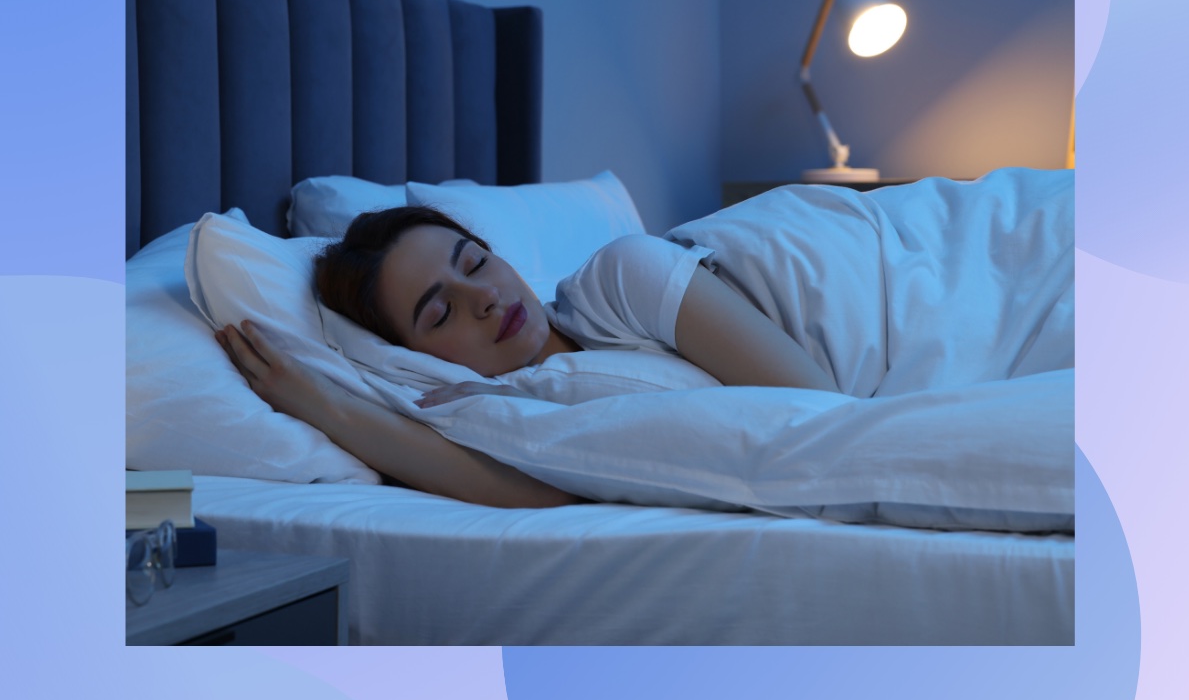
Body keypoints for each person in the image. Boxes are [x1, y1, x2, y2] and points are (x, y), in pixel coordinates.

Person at [217, 206, 838, 509]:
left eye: (476, 262)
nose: (486, 298)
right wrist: (327, 407)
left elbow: (833, 423)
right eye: (442, 313)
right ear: (410, 356)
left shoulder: (626, 275)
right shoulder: (513, 413)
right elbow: (546, 501)